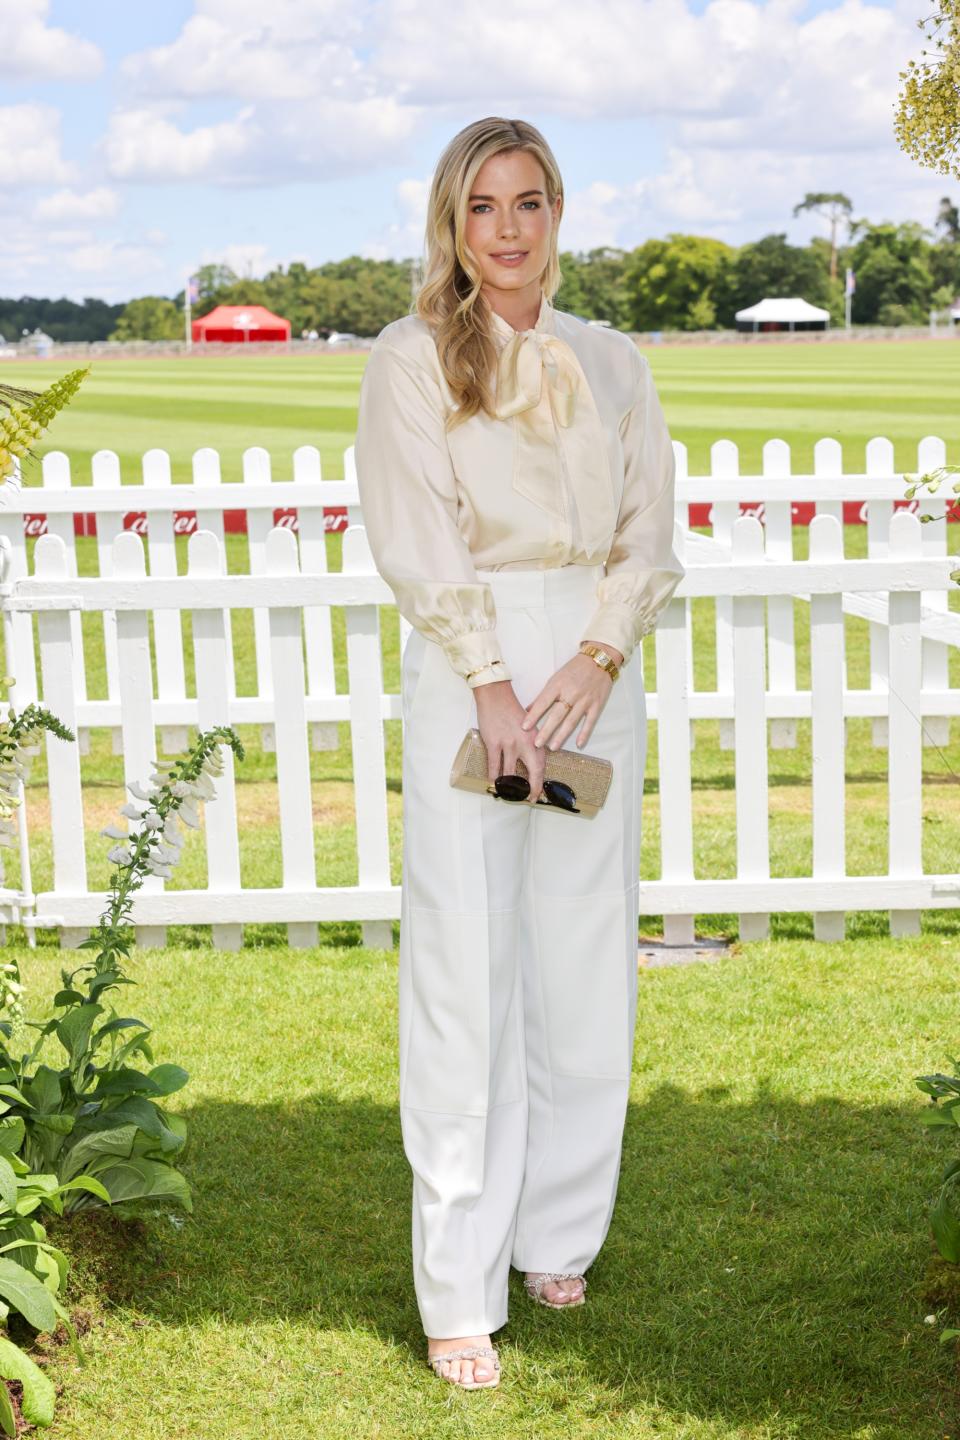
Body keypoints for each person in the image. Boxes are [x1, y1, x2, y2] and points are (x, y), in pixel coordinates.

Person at [354, 116, 684, 1391]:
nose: (507, 227)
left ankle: (560, 1231)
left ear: (558, 213)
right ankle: (458, 1284)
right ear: (453, 220)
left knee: (585, 949)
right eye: (483, 205)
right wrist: (491, 683)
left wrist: (598, 660)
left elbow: (648, 530)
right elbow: (416, 535)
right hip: (469, 666)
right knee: (466, 965)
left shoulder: (615, 360)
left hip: (592, 670)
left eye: (529, 201)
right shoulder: (409, 359)